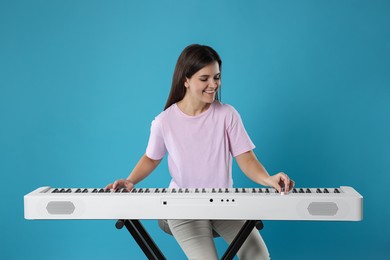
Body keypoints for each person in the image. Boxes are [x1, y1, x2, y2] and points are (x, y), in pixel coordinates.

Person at [105, 44, 294, 260]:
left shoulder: (227, 115)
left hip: (224, 204)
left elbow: (247, 159)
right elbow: (151, 157)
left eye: (217, 77)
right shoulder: (164, 121)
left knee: (258, 255)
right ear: (186, 80)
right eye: (204, 79)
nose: (213, 85)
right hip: (183, 207)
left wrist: (268, 179)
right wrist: (130, 180)